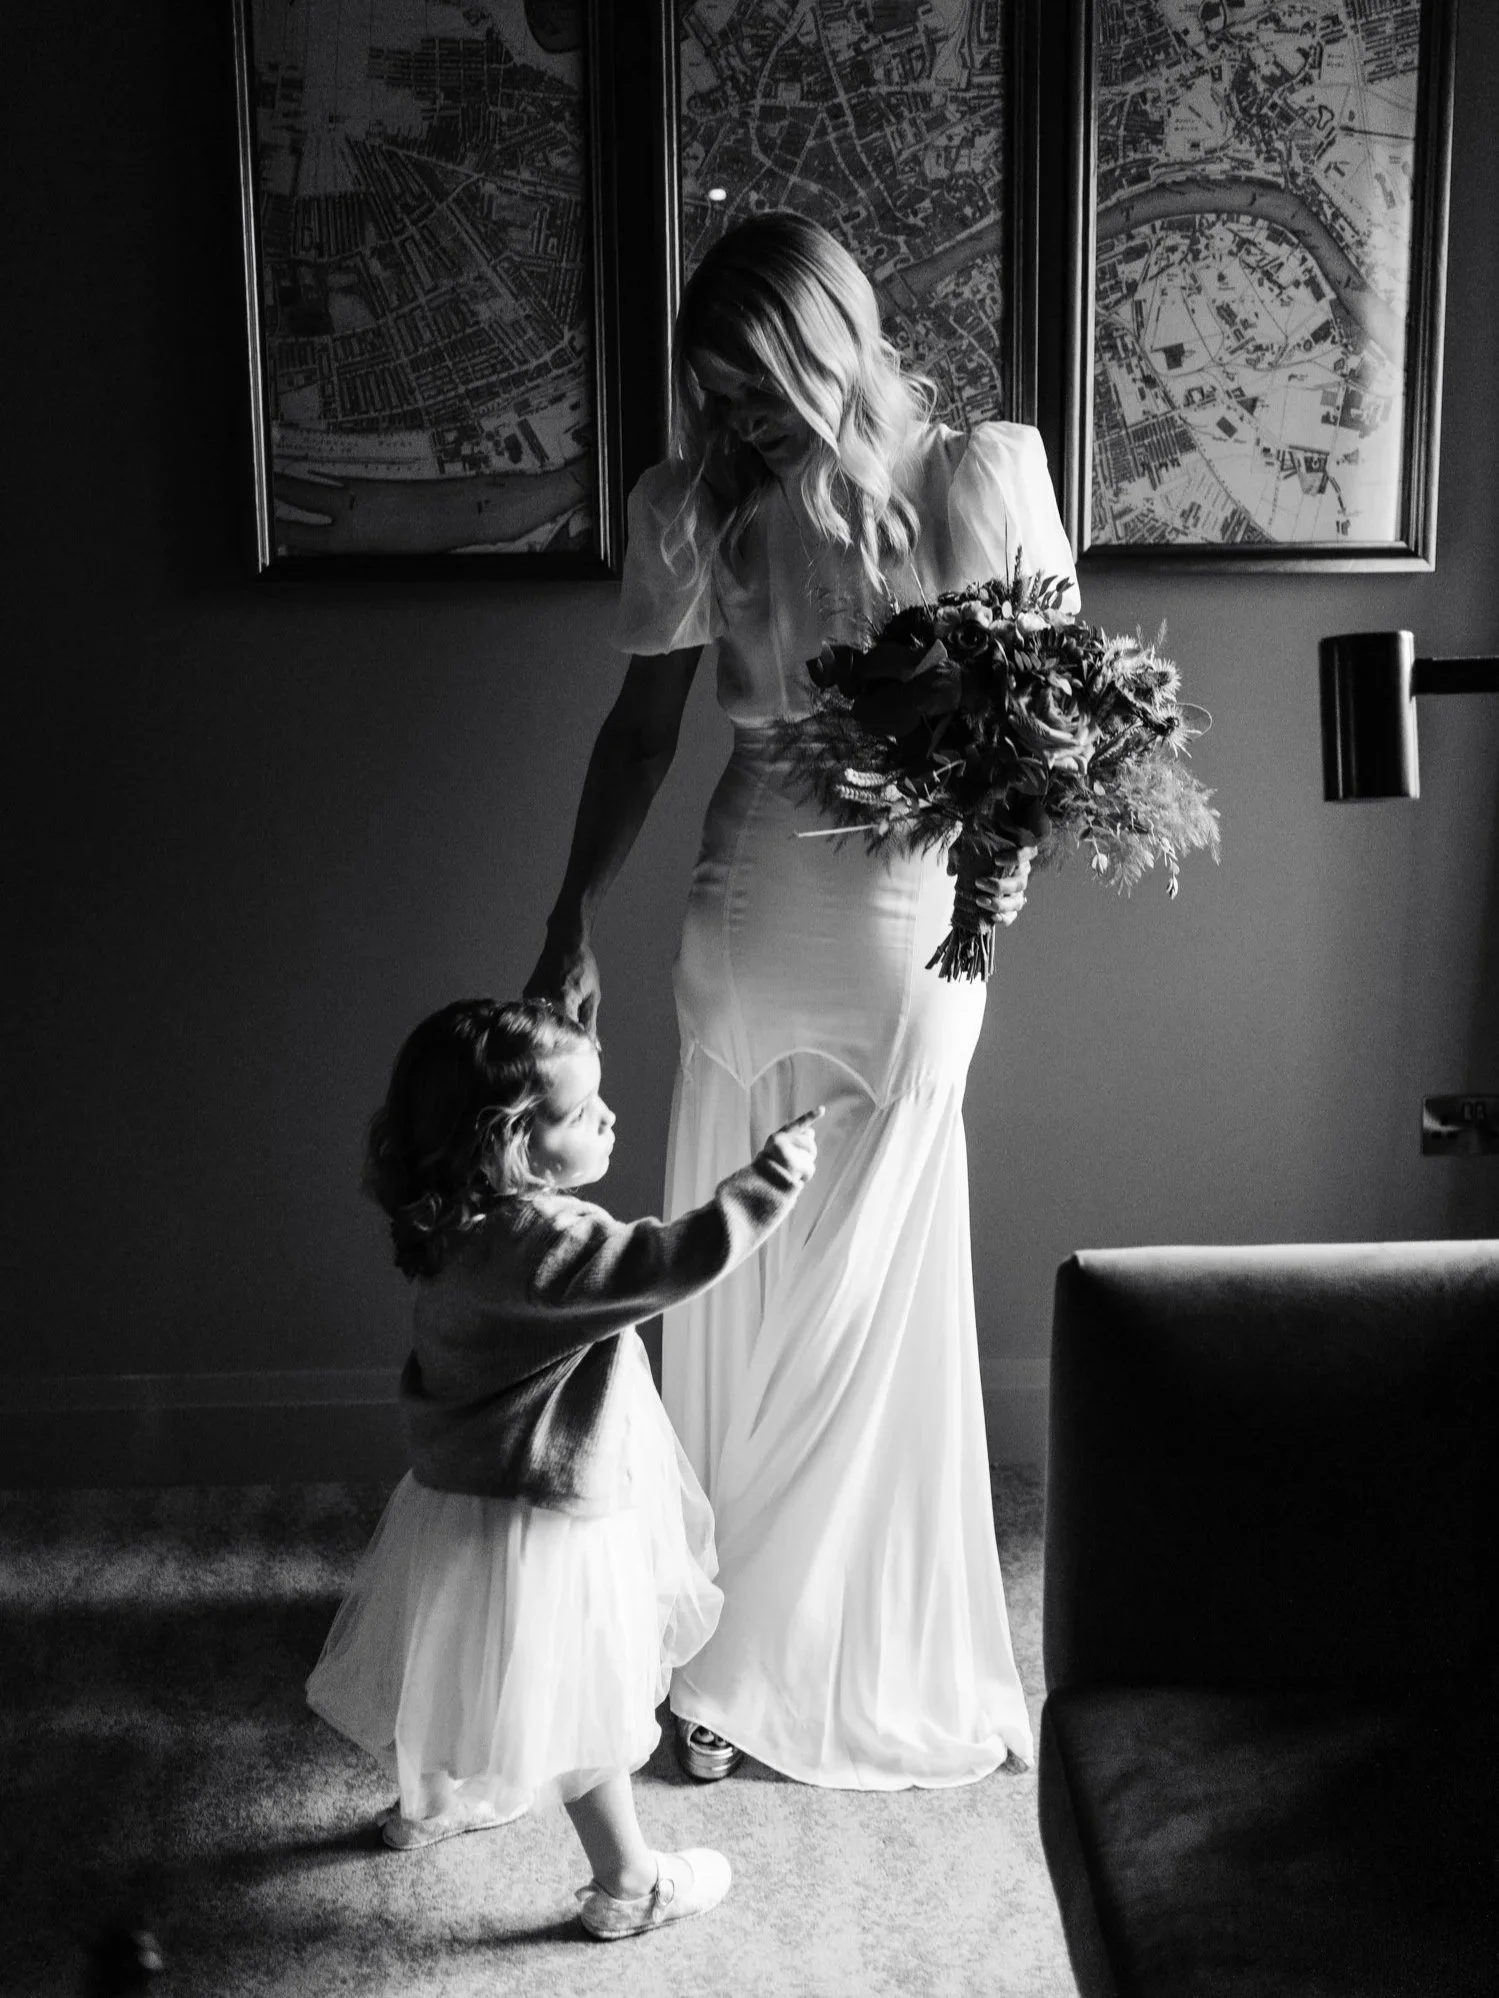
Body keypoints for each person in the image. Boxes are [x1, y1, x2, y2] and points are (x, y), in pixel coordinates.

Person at [525, 212, 1080, 1791]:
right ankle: (703, 1644)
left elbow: (1039, 723)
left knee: (859, 1279)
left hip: (911, 913)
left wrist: (1002, 862)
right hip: (746, 898)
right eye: (713, 396)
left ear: (829, 340)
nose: (737, 423)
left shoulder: (972, 477)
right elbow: (639, 738)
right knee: (722, 1267)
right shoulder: (692, 504)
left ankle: (771, 1652)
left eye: (757, 388)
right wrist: (567, 910)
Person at [304, 997, 821, 1937]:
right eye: (584, 1114)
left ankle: (431, 1802)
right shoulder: (547, 1240)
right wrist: (773, 1177)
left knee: (461, 1658)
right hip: (549, 1510)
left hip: (460, 1494)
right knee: (581, 1703)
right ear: (514, 1145)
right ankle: (630, 1882)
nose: (609, 1118)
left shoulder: (452, 1224)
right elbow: (671, 1259)